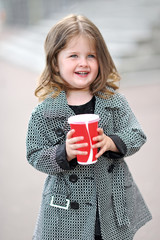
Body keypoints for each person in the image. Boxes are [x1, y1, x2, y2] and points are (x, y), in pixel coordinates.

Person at [26, 14, 152, 240]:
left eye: (91, 56)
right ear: (55, 62)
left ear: (101, 60)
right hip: (67, 210)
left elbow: (136, 134)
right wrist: (65, 152)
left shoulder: (113, 102)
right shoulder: (45, 112)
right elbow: (34, 153)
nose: (83, 62)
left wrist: (111, 142)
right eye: (73, 55)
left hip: (110, 202)